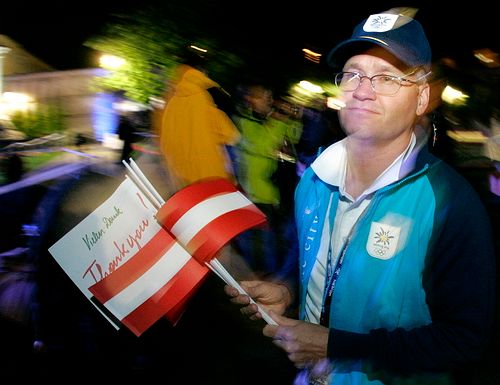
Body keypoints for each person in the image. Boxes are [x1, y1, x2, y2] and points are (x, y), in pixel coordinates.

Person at [225, 9, 496, 385]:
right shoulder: (314, 178)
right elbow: (306, 258)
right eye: (352, 74)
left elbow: (466, 339)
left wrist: (338, 346)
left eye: (386, 77)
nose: (362, 90)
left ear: (420, 98)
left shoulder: (449, 202)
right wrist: (285, 288)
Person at [232, 83, 302, 275]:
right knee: (257, 240)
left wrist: (294, 120)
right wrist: (278, 121)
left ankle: (265, 277)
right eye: (265, 98)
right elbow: (262, 146)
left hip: (270, 191)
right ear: (252, 100)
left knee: (269, 239)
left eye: (270, 98)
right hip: (252, 192)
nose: (270, 103)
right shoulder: (244, 122)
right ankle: (254, 277)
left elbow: (293, 138)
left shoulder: (270, 121)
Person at [159, 50, 240, 188]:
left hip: (182, 178)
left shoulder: (171, 99)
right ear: (201, 70)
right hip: (211, 174)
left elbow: (165, 140)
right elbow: (230, 135)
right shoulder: (209, 93)